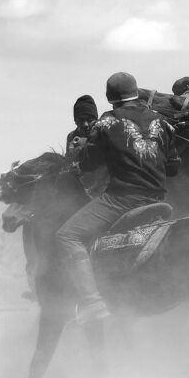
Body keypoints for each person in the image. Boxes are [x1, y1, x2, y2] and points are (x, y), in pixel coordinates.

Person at [55, 72, 179, 323]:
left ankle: (92, 302)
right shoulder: (163, 122)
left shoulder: (106, 123)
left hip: (121, 200)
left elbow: (88, 164)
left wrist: (81, 151)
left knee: (67, 236)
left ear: (110, 97)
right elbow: (174, 166)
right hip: (158, 198)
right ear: (135, 91)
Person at [65, 95, 98, 163]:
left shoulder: (102, 134)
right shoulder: (71, 136)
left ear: (96, 120)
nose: (85, 124)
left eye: (89, 120)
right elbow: (68, 161)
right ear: (75, 121)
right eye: (81, 120)